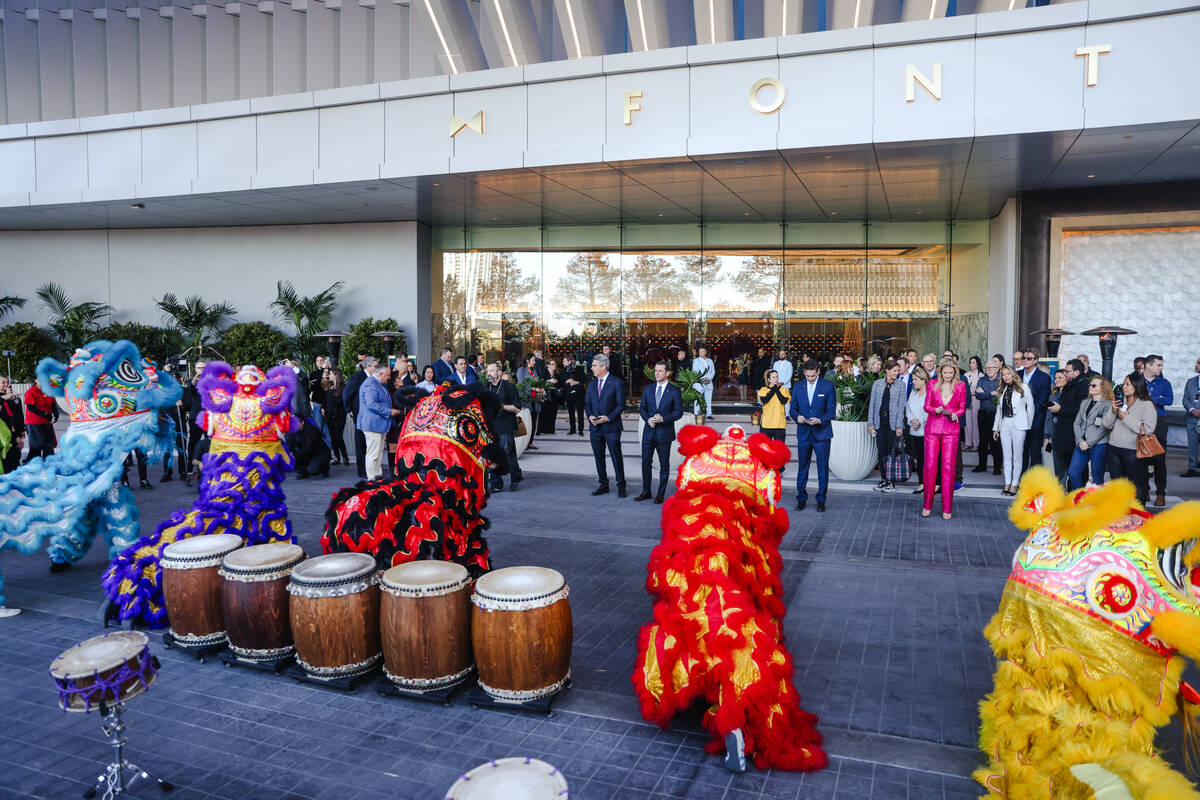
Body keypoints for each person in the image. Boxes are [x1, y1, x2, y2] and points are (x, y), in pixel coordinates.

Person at [787, 360, 835, 512]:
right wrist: (797, 417)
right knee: (802, 467)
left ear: (818, 372)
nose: (810, 378)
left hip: (822, 433)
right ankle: (801, 498)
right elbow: (793, 408)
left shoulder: (828, 386)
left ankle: (821, 499)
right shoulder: (798, 386)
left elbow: (832, 410)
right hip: (804, 432)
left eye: (813, 376)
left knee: (822, 469)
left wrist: (821, 420)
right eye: (807, 376)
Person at [923, 360, 966, 520]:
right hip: (933, 428)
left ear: (955, 372)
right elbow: (926, 406)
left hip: (951, 430)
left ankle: (947, 508)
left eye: (951, 373)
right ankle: (927, 505)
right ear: (940, 372)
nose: (948, 376)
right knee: (930, 465)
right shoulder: (932, 384)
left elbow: (962, 406)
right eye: (945, 373)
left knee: (948, 467)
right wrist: (935, 409)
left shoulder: (960, 386)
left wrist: (957, 414)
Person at [1106, 373, 1157, 506]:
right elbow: (1106, 424)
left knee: (1137, 486)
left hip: (1133, 451)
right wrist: (1112, 411)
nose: (1124, 387)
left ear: (1137, 385)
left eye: (1128, 384)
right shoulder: (1120, 401)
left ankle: (1137, 516)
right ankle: (1119, 517)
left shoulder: (1146, 404)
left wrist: (1126, 417)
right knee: (1117, 486)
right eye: (1124, 384)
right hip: (1113, 449)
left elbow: (1148, 429)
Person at [636, 360, 683, 503]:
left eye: (660, 371)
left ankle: (660, 494)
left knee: (664, 465)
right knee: (645, 463)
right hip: (648, 432)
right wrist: (647, 419)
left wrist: (663, 419)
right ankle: (646, 491)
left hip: (664, 433)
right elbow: (642, 408)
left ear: (667, 373)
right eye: (655, 370)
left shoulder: (674, 390)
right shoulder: (649, 389)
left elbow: (679, 412)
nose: (657, 373)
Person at [585, 354, 625, 497]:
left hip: (611, 428)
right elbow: (587, 404)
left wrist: (608, 418)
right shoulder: (591, 384)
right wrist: (589, 416)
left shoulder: (616, 383)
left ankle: (621, 486)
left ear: (603, 367)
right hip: (595, 428)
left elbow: (621, 405)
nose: (592, 368)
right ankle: (603, 484)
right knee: (598, 457)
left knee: (616, 457)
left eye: (594, 365)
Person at [1067, 376, 1115, 490]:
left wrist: (1089, 442)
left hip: (1098, 444)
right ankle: (1080, 499)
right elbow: (1077, 423)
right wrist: (1080, 440)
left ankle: (1096, 504)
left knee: (1097, 477)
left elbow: (1105, 427)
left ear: (1102, 388)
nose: (1090, 387)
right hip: (1082, 443)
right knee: (1073, 472)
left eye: (1094, 385)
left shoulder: (1108, 404)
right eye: (1090, 385)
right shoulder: (1085, 402)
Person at [992, 365, 1034, 496]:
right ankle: (1007, 482)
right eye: (1003, 374)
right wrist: (996, 428)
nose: (1006, 376)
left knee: (1017, 455)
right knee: (1007, 455)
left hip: (1019, 425)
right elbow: (999, 411)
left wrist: (1028, 424)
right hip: (1005, 423)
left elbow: (1031, 407)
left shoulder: (1024, 387)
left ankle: (1015, 484)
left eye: (1008, 374)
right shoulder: (1001, 389)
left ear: (1013, 374)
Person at [868, 360, 906, 493]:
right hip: (879, 422)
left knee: (892, 453)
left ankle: (891, 482)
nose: (897, 373)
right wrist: (870, 424)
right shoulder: (877, 384)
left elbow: (901, 407)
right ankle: (884, 480)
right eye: (894, 370)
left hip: (893, 424)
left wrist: (899, 425)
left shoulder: (901, 385)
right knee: (881, 452)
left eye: (898, 370)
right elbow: (872, 405)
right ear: (887, 371)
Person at [485, 362, 523, 492]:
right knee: (491, 456)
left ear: (499, 372)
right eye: (487, 371)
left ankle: (515, 478)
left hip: (505, 426)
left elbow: (517, 407)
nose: (488, 374)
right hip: (490, 427)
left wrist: (501, 406)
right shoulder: (486, 388)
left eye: (491, 371)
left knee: (508, 455)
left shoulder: (508, 387)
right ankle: (496, 483)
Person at [1049, 359, 1088, 482]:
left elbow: (1081, 410)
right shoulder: (1069, 386)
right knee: (1061, 468)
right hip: (1062, 433)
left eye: (1067, 371)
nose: (1065, 374)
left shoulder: (1083, 386)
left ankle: (1077, 495)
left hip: (1074, 435)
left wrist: (1060, 409)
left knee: (1076, 471)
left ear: (1076, 372)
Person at [358, 362, 398, 481]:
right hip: (372, 424)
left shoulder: (377, 383)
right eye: (388, 375)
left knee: (378, 453)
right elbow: (372, 404)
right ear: (381, 374)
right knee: (373, 453)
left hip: (378, 424)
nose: (389, 378)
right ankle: (372, 478)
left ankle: (377, 476)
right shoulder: (371, 384)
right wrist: (389, 411)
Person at [1143, 354, 1173, 507]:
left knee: (1160, 460)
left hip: (1159, 424)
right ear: (1148, 365)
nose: (1161, 368)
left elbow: (1169, 400)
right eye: (1158, 365)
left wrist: (1153, 398)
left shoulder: (1164, 382)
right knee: (1142, 459)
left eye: (1161, 365)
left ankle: (1161, 493)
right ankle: (1145, 491)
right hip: (1140, 424)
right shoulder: (1136, 381)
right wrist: (1156, 397)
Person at [1019, 347, 1051, 474]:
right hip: (1019, 420)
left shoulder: (1044, 377)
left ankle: (1033, 480)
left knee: (1034, 451)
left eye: (1029, 358)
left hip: (1035, 420)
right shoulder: (1017, 375)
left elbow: (1042, 401)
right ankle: (1020, 478)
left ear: (1036, 361)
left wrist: (1028, 414)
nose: (1026, 360)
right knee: (1021, 450)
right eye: (1024, 358)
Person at [343, 353, 373, 480]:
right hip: (359, 414)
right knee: (361, 443)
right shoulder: (357, 377)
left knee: (369, 443)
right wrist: (349, 409)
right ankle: (362, 470)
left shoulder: (374, 378)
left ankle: (369, 467)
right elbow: (346, 394)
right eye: (375, 366)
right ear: (369, 366)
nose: (377, 368)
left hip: (371, 416)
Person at [973, 358, 1002, 475]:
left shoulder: (1001, 380)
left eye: (992, 368)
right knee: (983, 441)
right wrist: (991, 393)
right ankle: (982, 465)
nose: (989, 370)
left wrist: (984, 393)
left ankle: (997, 468)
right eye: (987, 368)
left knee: (995, 441)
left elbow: (1000, 396)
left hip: (995, 414)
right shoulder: (981, 380)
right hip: (983, 413)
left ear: (997, 369)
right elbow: (978, 396)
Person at [906, 366, 930, 496]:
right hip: (914, 431)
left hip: (926, 431)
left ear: (923, 379)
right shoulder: (913, 393)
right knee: (919, 459)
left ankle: (931, 483)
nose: (913, 382)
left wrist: (919, 421)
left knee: (928, 459)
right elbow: (908, 409)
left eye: (915, 379)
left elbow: (929, 410)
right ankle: (921, 483)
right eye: (913, 379)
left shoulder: (929, 393)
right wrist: (912, 420)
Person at [22, 380, 58, 463]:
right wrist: (45, 414)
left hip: (46, 422)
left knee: (49, 445)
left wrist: (56, 414)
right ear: (35, 380)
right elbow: (30, 407)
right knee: (36, 445)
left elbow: (53, 404)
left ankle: (49, 463)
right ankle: (33, 464)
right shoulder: (31, 391)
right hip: (34, 422)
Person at [757, 370, 790, 444]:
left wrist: (777, 389)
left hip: (780, 424)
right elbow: (765, 400)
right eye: (773, 377)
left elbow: (783, 401)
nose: (776, 379)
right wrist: (773, 390)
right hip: (766, 424)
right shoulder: (763, 390)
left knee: (779, 450)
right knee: (765, 449)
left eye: (777, 377)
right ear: (769, 379)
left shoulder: (783, 390)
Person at [516, 354, 542, 450]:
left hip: (535, 400)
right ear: (527, 361)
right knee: (526, 422)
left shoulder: (534, 370)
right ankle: (524, 443)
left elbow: (538, 381)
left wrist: (541, 388)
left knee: (534, 422)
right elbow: (521, 384)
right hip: (525, 400)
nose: (534, 362)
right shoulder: (521, 370)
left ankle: (530, 442)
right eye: (533, 360)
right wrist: (534, 388)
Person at [324, 369, 349, 466]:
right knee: (333, 439)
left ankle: (345, 457)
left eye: (330, 373)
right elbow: (325, 400)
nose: (328, 375)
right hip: (330, 417)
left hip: (339, 417)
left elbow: (339, 402)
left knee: (339, 437)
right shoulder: (330, 387)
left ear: (335, 375)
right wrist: (323, 408)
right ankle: (337, 458)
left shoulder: (343, 387)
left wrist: (331, 392)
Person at [0, 376, 24, 474]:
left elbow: (19, 415)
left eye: (7, 382)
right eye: (3, 382)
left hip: (14, 433)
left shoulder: (13, 397)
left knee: (15, 457)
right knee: (6, 460)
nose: (6, 384)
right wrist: (5, 397)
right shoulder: (3, 398)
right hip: (4, 436)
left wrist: (21, 430)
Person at [1183, 357, 1200, 478]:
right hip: (1192, 418)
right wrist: (1192, 409)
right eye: (1197, 362)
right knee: (1192, 444)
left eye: (1199, 363)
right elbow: (1185, 399)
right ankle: (1192, 468)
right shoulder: (1191, 381)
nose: (1197, 365)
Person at [561, 354, 587, 436]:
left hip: (579, 394)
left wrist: (576, 382)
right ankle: (572, 430)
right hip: (569, 394)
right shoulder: (564, 371)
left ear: (569, 361)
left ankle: (580, 430)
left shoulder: (579, 368)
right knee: (570, 413)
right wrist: (566, 381)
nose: (563, 363)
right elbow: (561, 382)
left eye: (564, 361)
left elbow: (585, 379)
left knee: (580, 413)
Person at [538, 358, 563, 435]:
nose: (553, 366)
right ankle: (541, 430)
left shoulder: (557, 374)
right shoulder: (543, 373)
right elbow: (539, 383)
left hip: (554, 396)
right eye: (551, 364)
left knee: (553, 413)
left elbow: (560, 385)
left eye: (554, 364)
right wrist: (549, 381)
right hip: (545, 396)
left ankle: (551, 430)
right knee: (543, 413)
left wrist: (557, 382)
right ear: (547, 365)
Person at [964, 356, 983, 451]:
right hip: (967, 399)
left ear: (978, 364)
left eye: (973, 362)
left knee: (975, 422)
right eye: (970, 362)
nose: (971, 364)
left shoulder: (981, 375)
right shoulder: (966, 375)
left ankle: (976, 443)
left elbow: (981, 390)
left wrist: (973, 393)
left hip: (977, 400)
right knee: (967, 422)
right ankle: (968, 443)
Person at [691, 345, 715, 418]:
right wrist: (702, 379)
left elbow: (713, 371)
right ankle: (696, 413)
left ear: (705, 352)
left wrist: (709, 378)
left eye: (702, 351)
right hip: (699, 383)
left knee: (708, 399)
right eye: (699, 352)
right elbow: (695, 372)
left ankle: (709, 414)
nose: (701, 353)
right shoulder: (696, 360)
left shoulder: (710, 361)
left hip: (709, 383)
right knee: (697, 399)